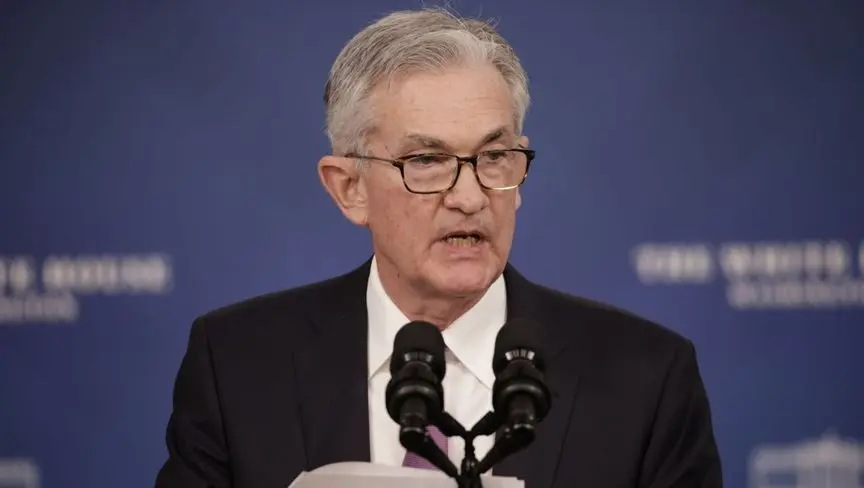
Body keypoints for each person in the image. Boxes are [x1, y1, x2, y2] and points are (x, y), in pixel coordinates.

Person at [154, 7, 722, 488]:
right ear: (350, 188)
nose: (470, 197)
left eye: (493, 157)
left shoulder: (647, 378)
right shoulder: (238, 365)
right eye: (426, 161)